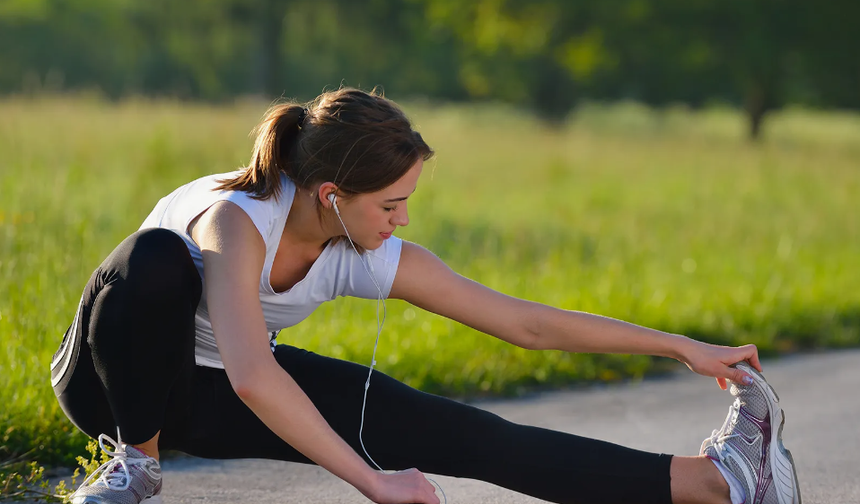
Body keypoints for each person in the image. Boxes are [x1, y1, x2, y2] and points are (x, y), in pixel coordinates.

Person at [50, 87, 801, 504]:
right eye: (392, 203)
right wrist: (375, 483)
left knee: (463, 433)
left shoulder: (359, 241)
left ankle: (715, 483)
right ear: (334, 194)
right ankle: (136, 465)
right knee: (152, 262)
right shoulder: (238, 222)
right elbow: (253, 373)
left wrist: (678, 347)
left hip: (211, 395)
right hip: (111, 387)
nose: (404, 219)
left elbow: (523, 325)